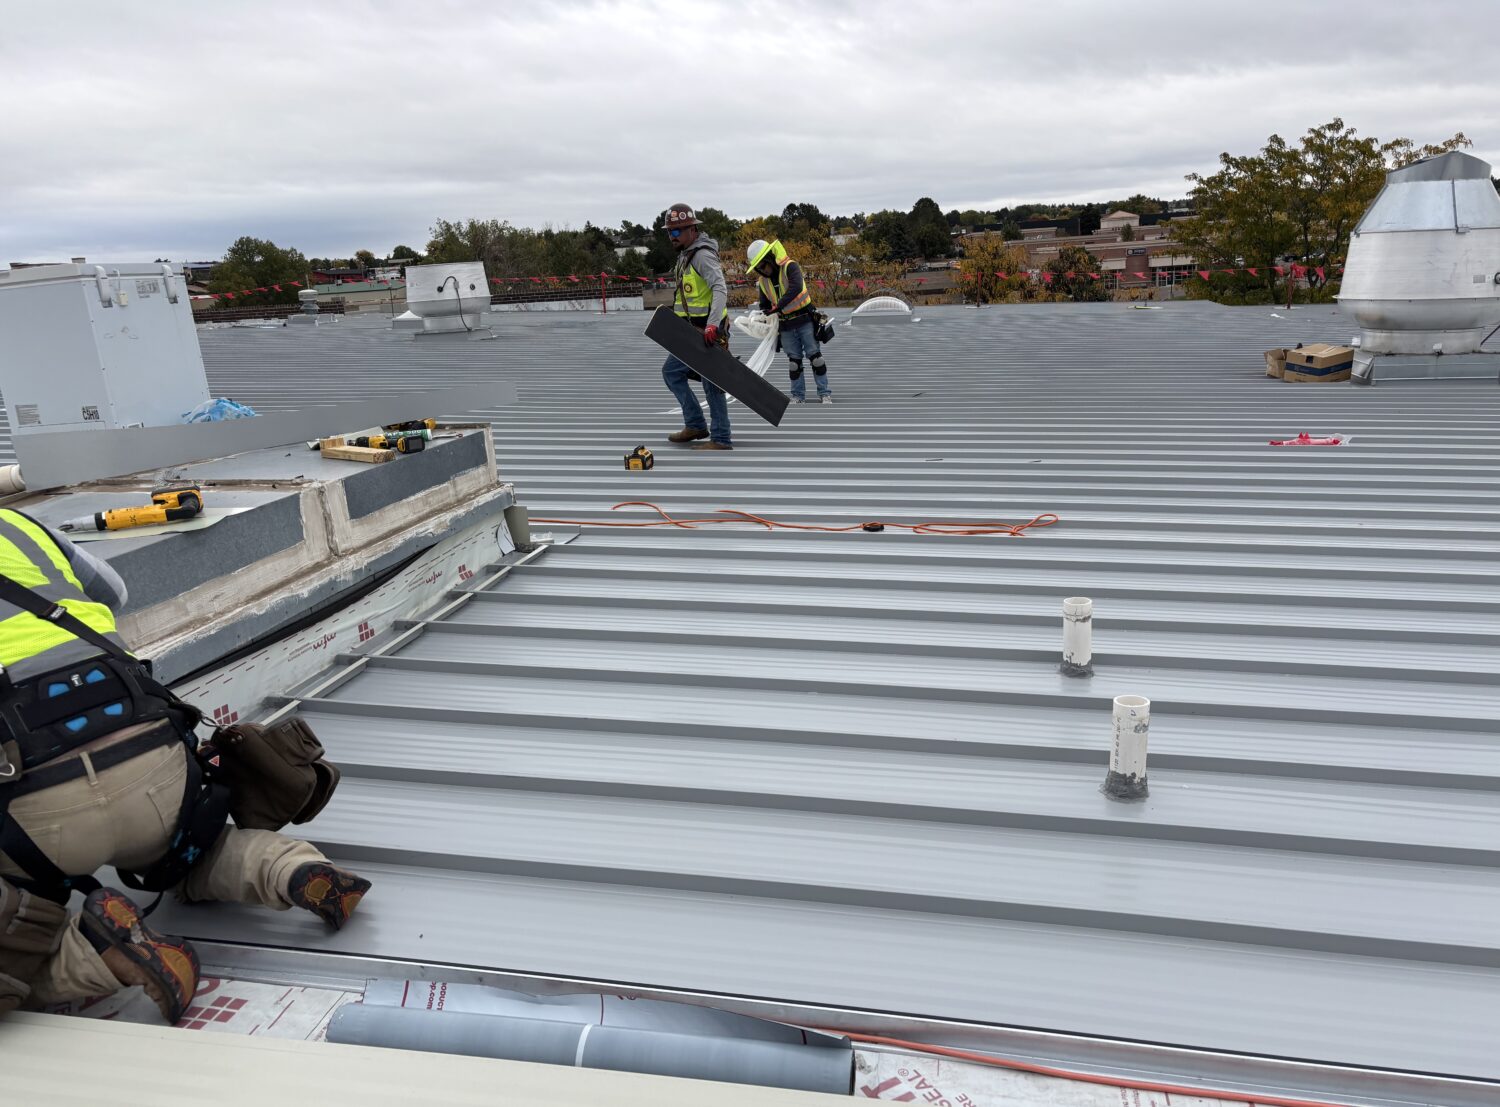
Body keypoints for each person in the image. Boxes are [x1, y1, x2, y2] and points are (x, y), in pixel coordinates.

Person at [0, 508, 370, 1024]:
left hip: (34, 815)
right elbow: (111, 593)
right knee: (187, 853)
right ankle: (290, 870)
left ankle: (96, 954)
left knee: (14, 942)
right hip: (154, 755)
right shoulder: (16, 525)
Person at [660, 203, 733, 451]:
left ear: (692, 229)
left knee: (712, 382)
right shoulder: (685, 255)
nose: (672, 236)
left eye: (677, 231)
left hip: (708, 331)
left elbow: (720, 288)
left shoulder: (701, 255)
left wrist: (712, 326)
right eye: (669, 232)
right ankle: (696, 425)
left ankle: (721, 438)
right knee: (672, 372)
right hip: (690, 332)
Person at [748, 238, 831, 404]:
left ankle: (824, 393)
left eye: (763, 266)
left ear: (770, 258)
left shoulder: (790, 266)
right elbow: (764, 304)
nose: (762, 271)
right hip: (785, 325)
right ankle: (798, 396)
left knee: (816, 357)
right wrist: (763, 316)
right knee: (794, 362)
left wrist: (778, 306)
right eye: (758, 269)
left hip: (804, 319)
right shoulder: (763, 281)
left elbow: (796, 287)